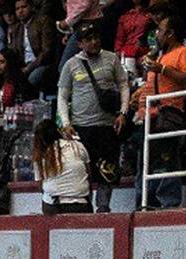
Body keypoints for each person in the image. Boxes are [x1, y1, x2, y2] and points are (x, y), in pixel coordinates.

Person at [57, 21, 129, 213]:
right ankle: (85, 206)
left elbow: (124, 85)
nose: (94, 42)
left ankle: (103, 208)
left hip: (106, 125)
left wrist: (123, 112)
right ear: (80, 44)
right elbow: (62, 97)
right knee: (82, 171)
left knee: (107, 169)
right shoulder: (71, 65)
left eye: (96, 38)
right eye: (88, 39)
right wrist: (66, 122)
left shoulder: (111, 59)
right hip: (81, 127)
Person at [132, 14, 186, 210]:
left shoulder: (184, 53)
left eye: (159, 31)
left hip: (168, 113)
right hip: (149, 116)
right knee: (146, 162)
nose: (156, 35)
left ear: (170, 34)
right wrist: (139, 95)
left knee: (164, 161)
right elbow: (154, 83)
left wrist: (163, 69)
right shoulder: (159, 56)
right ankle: (146, 203)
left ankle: (167, 204)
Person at [33, 118, 91, 214]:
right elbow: (89, 175)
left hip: (52, 206)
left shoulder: (40, 155)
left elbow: (40, 185)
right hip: (81, 204)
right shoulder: (77, 146)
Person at [6, 0, 57, 92]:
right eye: (17, 9)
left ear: (31, 7)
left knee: (31, 80)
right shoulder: (16, 28)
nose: (20, 11)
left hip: (42, 64)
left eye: (23, 7)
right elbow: (12, 53)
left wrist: (29, 68)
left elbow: (47, 51)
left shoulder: (43, 21)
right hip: (23, 67)